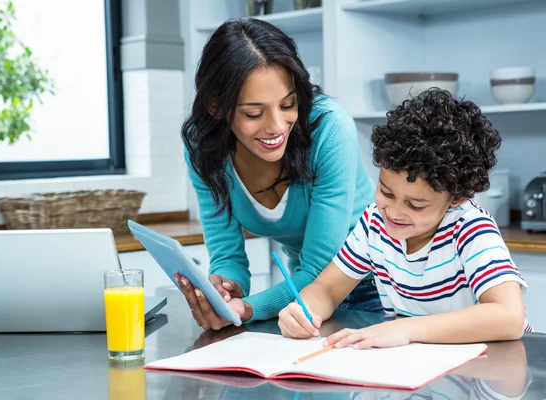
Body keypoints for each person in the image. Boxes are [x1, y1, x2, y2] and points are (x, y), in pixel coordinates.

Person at [278, 88, 532, 347]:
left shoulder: (470, 229)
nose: (394, 212)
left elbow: (508, 316)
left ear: (457, 198)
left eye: (416, 204)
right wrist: (304, 311)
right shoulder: (375, 223)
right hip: (424, 366)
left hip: (489, 367)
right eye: (386, 192)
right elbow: (328, 289)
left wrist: (407, 329)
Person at [178, 18, 380, 331]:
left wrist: (247, 309)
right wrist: (224, 292)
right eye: (253, 113)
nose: (276, 126)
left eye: (288, 104)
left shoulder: (329, 128)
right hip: (303, 296)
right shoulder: (203, 147)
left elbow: (320, 268)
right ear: (216, 107)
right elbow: (226, 253)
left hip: (376, 289)